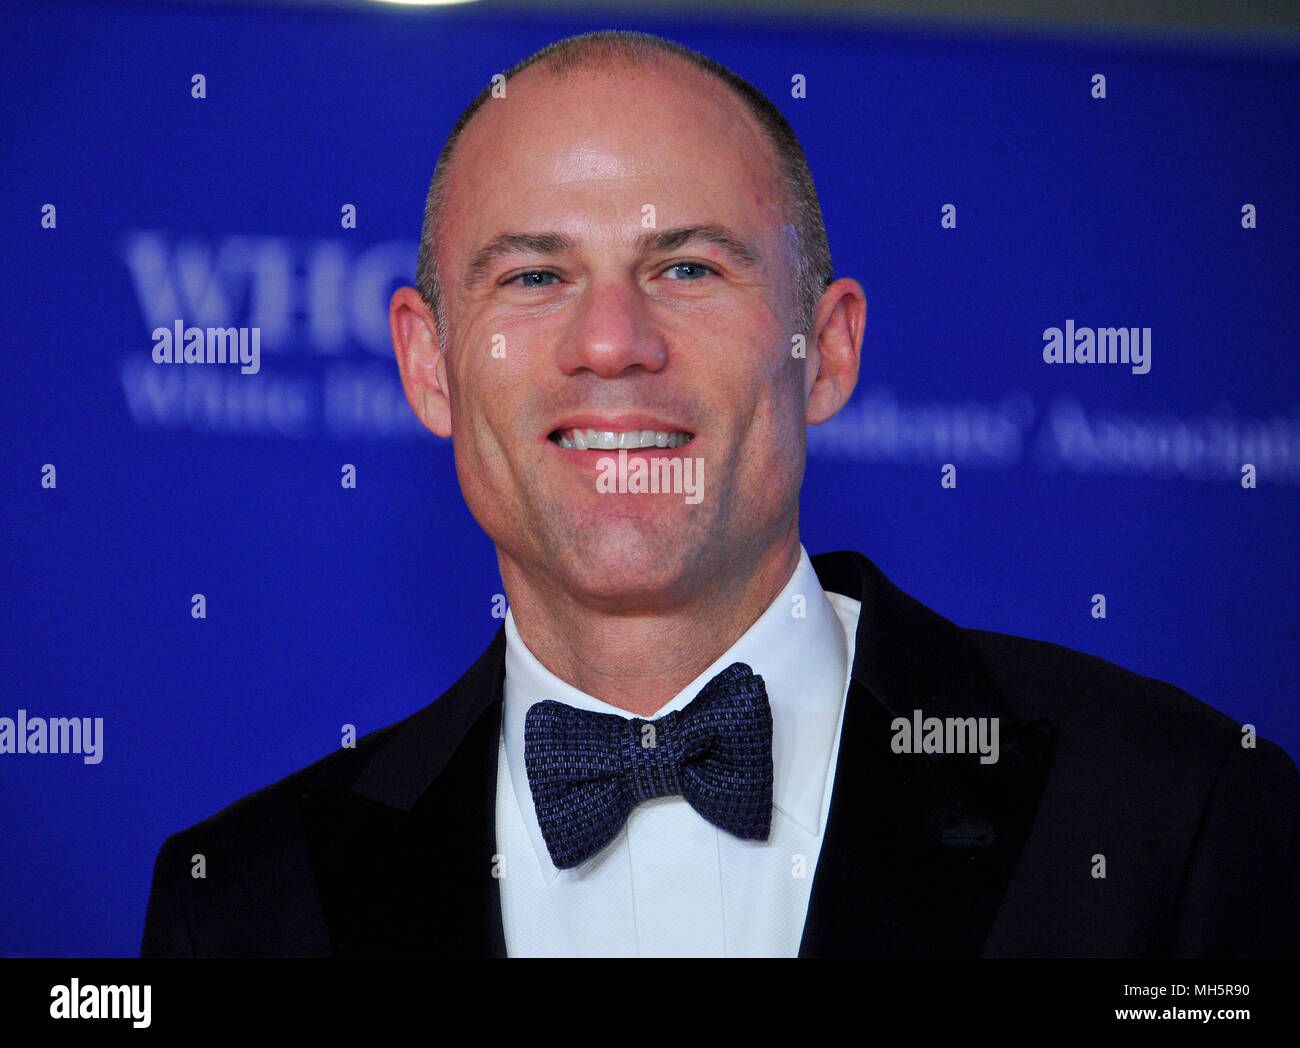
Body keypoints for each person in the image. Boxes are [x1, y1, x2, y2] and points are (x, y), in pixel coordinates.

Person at [141, 29, 1300, 958]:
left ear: (828, 348)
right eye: (534, 275)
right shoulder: (244, 903)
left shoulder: (1171, 812)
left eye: (686, 268)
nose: (610, 341)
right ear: (428, 364)